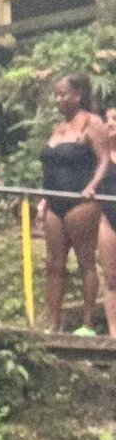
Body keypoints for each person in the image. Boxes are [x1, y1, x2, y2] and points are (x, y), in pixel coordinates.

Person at [38, 75, 109, 334]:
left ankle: (87, 323)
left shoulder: (92, 123)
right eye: (56, 95)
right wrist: (44, 198)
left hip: (80, 201)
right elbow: (51, 164)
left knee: (85, 261)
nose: (59, 99)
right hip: (54, 201)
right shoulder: (58, 127)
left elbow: (103, 160)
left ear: (78, 95)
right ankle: (53, 323)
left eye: (64, 94)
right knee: (54, 262)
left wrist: (92, 186)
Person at [96, 105, 116, 336]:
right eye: (107, 118)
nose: (109, 123)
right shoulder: (99, 156)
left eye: (114, 119)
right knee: (111, 277)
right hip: (107, 219)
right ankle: (113, 332)